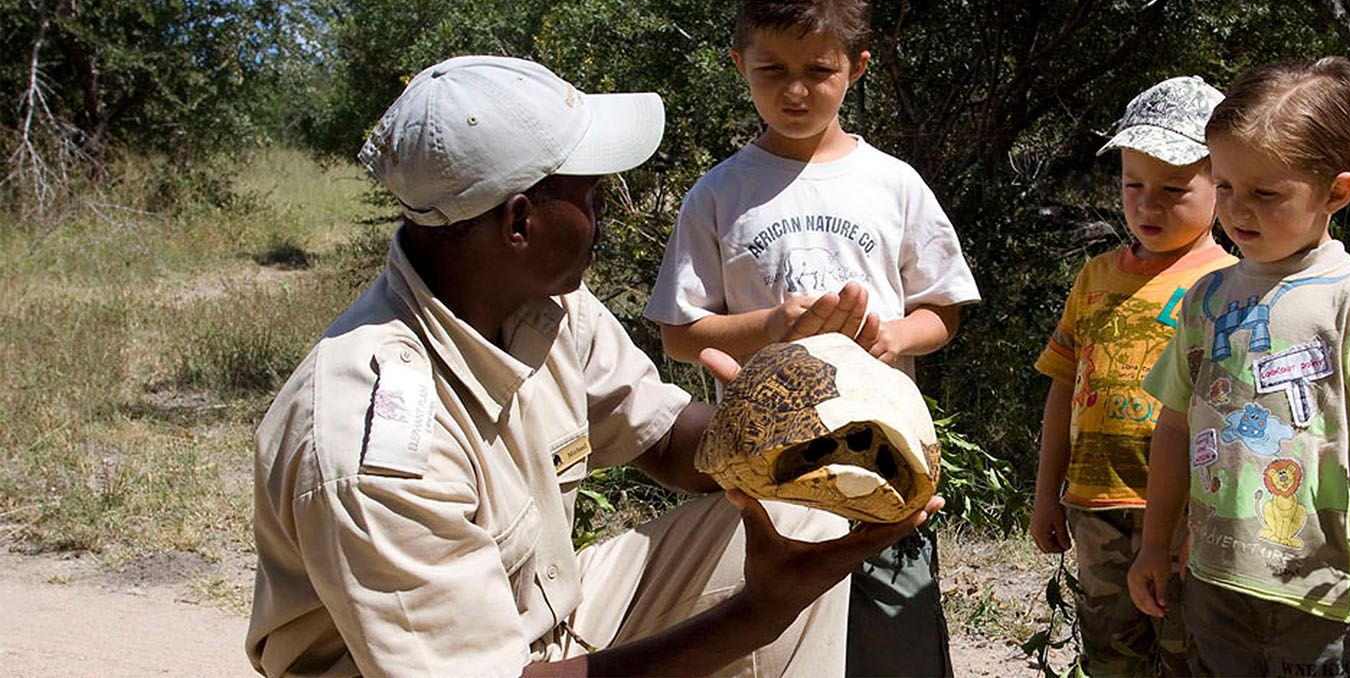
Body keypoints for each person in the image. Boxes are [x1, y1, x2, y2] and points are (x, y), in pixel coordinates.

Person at [245, 54, 943, 678]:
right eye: (592, 197)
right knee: (770, 592)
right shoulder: (374, 440)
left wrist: (780, 427)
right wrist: (758, 614)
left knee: (799, 505)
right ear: (519, 223)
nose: (603, 214)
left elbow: (665, 439)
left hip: (545, 627)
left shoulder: (543, 306)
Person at [643, 0, 978, 678]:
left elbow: (942, 310)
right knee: (771, 642)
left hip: (884, 465)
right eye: (772, 71)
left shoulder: (892, 184)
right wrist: (772, 328)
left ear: (855, 67)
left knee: (894, 634)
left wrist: (892, 336)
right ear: (739, 65)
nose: (795, 91)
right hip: (765, 473)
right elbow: (678, 332)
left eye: (817, 71)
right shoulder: (719, 194)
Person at [1128, 57, 1350, 676]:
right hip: (1215, 582)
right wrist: (1156, 543)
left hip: (1321, 597)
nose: (1239, 210)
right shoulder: (1205, 300)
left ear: (1336, 193)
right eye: (1225, 187)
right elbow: (1176, 426)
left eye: (1266, 193)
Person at [1028, 76, 1233, 675]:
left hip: (1185, 512)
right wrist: (1047, 496)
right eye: (1132, 185)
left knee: (1186, 649)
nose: (1148, 205)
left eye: (1173, 189)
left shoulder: (1227, 284)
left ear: (1222, 187)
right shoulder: (1094, 277)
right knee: (1111, 652)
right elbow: (1063, 388)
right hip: (1094, 505)